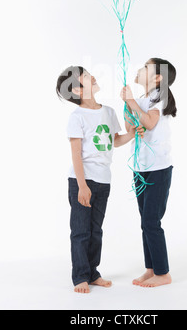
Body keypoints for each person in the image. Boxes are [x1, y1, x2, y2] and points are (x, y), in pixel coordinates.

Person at [56, 65, 145, 293]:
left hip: (104, 181)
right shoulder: (77, 117)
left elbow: (114, 140)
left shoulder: (108, 112)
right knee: (81, 231)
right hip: (81, 181)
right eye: (86, 76)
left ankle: (93, 272)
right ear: (76, 90)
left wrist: (133, 133)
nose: (92, 76)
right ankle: (80, 277)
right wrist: (82, 185)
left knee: (96, 231)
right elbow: (76, 154)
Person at [120, 57, 177, 288]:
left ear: (157, 77)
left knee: (151, 221)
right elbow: (131, 128)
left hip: (158, 169)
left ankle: (163, 273)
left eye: (146, 67)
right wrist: (127, 106)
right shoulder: (143, 99)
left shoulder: (159, 96)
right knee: (145, 221)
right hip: (141, 167)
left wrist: (132, 102)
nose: (140, 69)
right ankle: (151, 268)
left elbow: (151, 123)